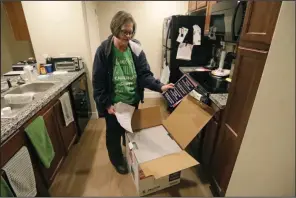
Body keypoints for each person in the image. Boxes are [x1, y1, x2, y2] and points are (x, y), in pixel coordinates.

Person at [92, 11, 174, 175]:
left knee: (130, 129)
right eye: (124, 32)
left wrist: (160, 86)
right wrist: (106, 104)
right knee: (113, 134)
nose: (128, 36)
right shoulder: (104, 51)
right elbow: (98, 82)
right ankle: (117, 160)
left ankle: (129, 148)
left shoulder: (136, 48)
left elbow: (144, 74)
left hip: (132, 100)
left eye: (131, 32)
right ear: (115, 29)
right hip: (114, 105)